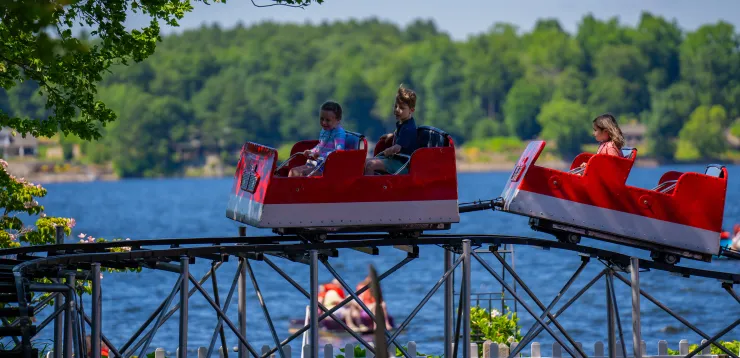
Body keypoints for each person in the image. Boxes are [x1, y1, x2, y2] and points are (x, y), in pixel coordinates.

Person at [364, 85, 418, 175]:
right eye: (396, 106)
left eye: (401, 108)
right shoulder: (403, 123)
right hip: (395, 160)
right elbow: (400, 135)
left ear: (411, 110)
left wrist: (387, 151)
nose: (397, 110)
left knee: (370, 165)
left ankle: (370, 188)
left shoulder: (408, 128)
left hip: (402, 163)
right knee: (363, 162)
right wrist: (392, 135)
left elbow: (397, 148)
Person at [289, 101, 346, 177]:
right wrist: (311, 151)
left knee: (303, 174)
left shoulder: (339, 133)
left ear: (338, 120)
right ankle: (291, 188)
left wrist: (321, 155)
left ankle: (301, 188)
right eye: (322, 119)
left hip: (326, 167)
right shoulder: (324, 131)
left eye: (327, 120)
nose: (324, 122)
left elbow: (338, 152)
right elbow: (320, 146)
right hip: (316, 163)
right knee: (293, 171)